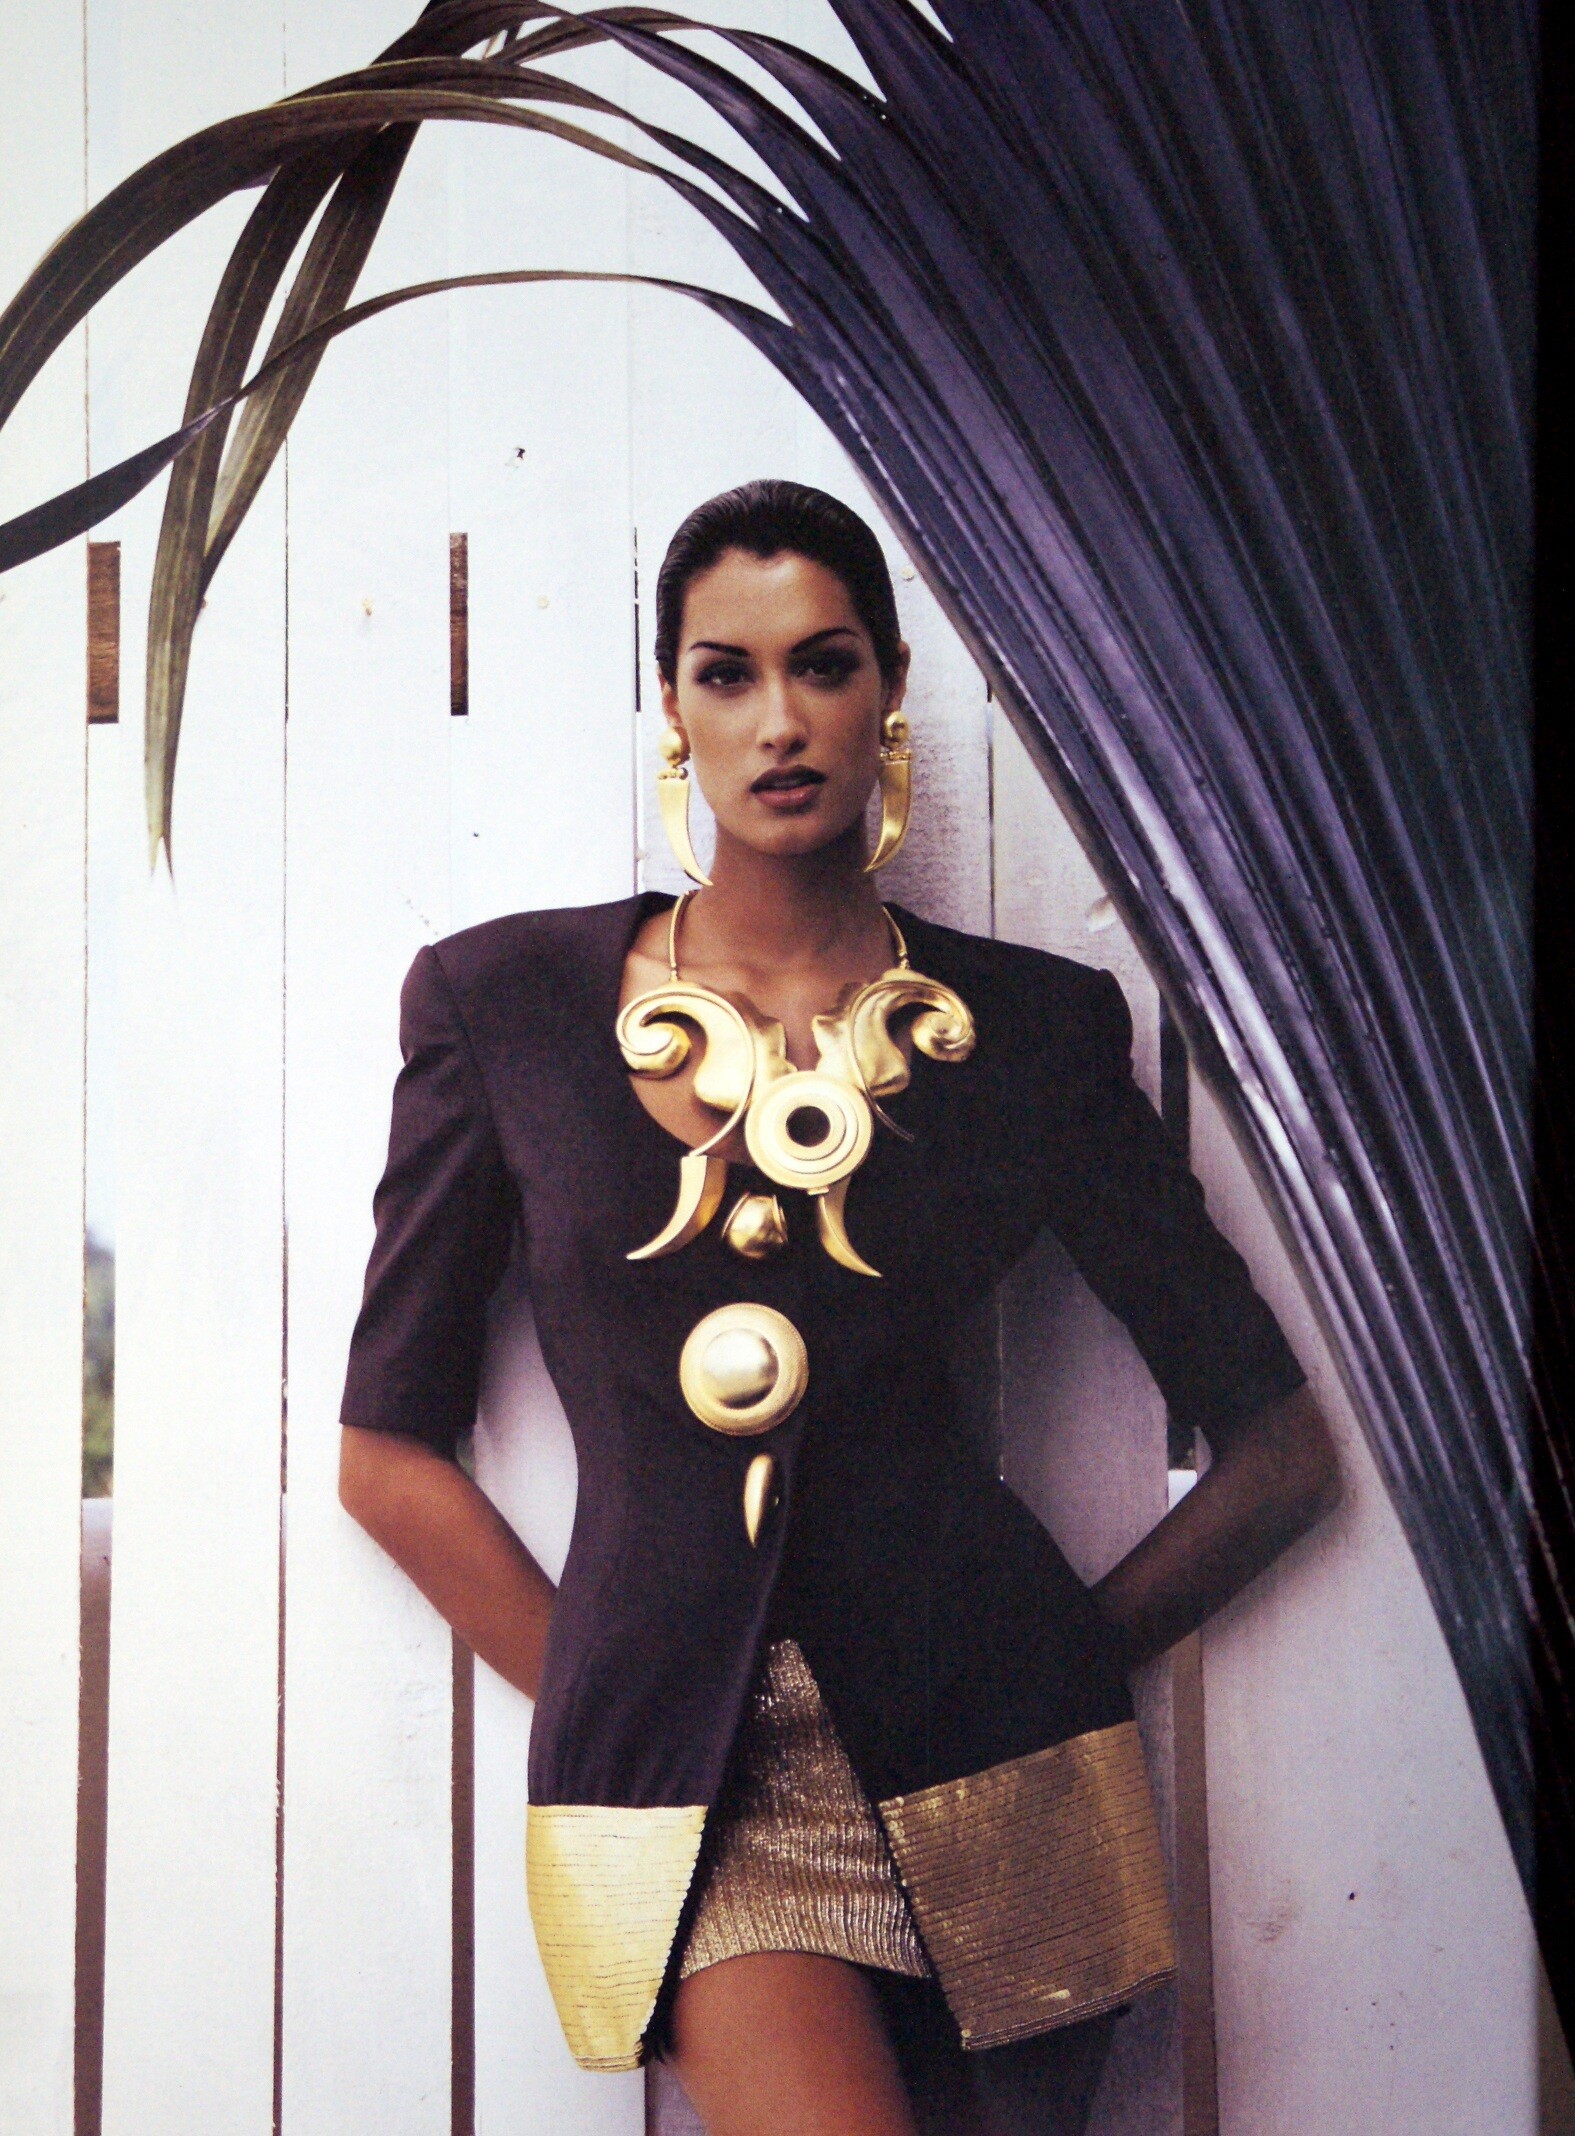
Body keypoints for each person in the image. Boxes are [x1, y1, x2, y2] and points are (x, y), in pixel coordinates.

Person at [337, 479, 1340, 2135]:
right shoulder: (502, 1006)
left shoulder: (1034, 1029)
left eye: (824, 663)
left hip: (1003, 1767)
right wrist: (619, 1683)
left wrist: (1052, 1660)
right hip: (703, 1792)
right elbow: (384, 1456)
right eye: (725, 673)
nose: (780, 718)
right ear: (673, 708)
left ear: (887, 692)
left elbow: (1281, 1453)